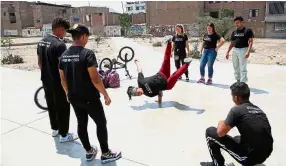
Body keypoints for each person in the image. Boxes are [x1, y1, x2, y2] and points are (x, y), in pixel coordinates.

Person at [58, 24, 121, 163]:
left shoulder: (63, 56)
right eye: (87, 37)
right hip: (89, 97)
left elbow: (62, 79)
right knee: (101, 123)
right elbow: (95, 79)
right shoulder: (87, 54)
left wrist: (68, 93)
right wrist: (105, 94)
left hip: (74, 97)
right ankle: (105, 153)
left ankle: (88, 151)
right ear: (83, 36)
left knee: (82, 123)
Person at [201, 82, 273, 166]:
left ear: (236, 98)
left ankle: (217, 164)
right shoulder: (258, 110)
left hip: (249, 158)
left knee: (210, 132)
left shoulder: (236, 110)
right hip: (266, 154)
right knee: (236, 138)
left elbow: (220, 133)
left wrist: (221, 122)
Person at [37, 18, 77, 142]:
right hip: (58, 82)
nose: (65, 34)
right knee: (63, 107)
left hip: (46, 80)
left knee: (51, 105)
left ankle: (55, 129)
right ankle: (64, 135)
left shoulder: (41, 41)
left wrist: (46, 74)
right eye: (64, 31)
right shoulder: (59, 45)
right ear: (59, 29)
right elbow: (63, 67)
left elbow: (39, 63)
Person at [127, 39, 193, 103]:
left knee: (166, 60)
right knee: (175, 75)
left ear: (136, 88)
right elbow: (159, 92)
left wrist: (137, 63)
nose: (139, 94)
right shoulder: (149, 94)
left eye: (137, 92)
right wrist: (159, 101)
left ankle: (169, 43)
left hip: (161, 74)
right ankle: (187, 64)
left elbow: (139, 70)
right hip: (167, 84)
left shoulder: (140, 81)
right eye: (138, 95)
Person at [225, 16, 254, 83]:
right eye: (235, 23)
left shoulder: (248, 30)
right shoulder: (234, 32)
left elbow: (251, 42)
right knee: (235, 66)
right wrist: (227, 52)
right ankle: (238, 81)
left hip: (243, 49)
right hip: (235, 50)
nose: (236, 24)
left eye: (237, 23)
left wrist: (248, 52)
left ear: (242, 22)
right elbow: (232, 43)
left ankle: (243, 82)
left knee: (243, 67)